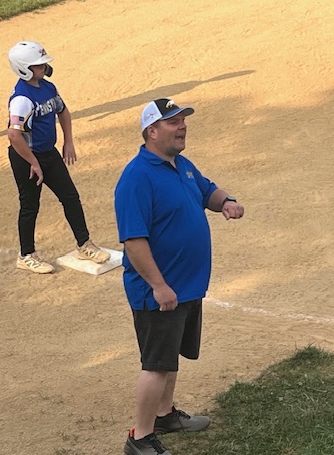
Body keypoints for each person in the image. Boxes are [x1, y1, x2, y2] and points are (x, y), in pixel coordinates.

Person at [114, 98, 245, 455]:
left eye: (183, 119)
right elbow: (134, 241)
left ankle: (165, 415)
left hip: (185, 286)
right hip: (159, 291)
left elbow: (207, 191)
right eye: (173, 121)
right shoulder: (136, 178)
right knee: (156, 365)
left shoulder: (181, 165)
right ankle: (140, 437)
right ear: (151, 131)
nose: (182, 125)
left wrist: (226, 202)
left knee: (169, 358)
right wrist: (158, 286)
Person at [6, 41, 110, 274]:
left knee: (70, 197)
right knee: (30, 205)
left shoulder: (48, 87)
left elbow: (62, 111)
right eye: (38, 65)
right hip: (26, 157)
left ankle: (84, 244)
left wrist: (68, 141)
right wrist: (33, 163)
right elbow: (14, 135)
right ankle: (26, 255)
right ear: (24, 68)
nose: (44, 67)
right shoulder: (22, 99)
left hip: (48, 153)